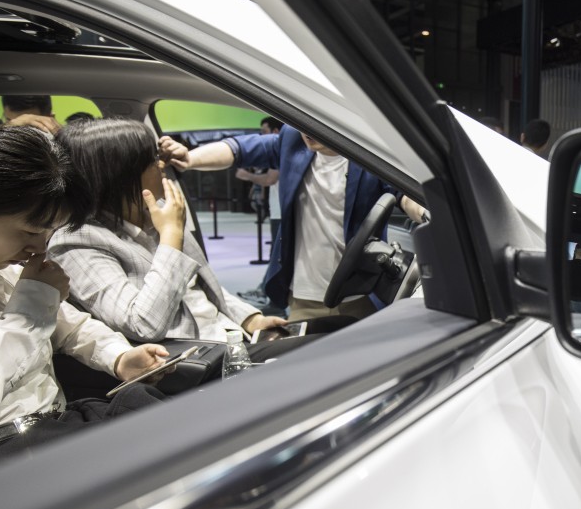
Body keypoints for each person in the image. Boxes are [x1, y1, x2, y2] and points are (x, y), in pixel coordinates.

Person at [0, 126, 169, 457]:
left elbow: (70, 326)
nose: (38, 248)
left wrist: (119, 356)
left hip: (56, 422)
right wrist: (33, 304)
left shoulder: (9, 270)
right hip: (10, 446)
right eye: (30, 231)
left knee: (161, 418)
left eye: (48, 233)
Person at [48, 118, 286, 342]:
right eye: (152, 160)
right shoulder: (77, 241)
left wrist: (250, 319)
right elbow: (142, 324)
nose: (161, 165)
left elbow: (203, 286)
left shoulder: (158, 214)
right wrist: (171, 239)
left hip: (227, 336)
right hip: (193, 359)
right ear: (121, 176)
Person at [159, 125, 426, 321]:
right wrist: (190, 158)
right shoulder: (291, 140)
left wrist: (425, 211)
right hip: (303, 297)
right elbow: (238, 149)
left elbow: (404, 195)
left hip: (360, 296)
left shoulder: (367, 152)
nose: (307, 131)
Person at [235, 117, 283, 305]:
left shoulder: (281, 151)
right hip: (277, 209)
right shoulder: (279, 152)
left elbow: (270, 179)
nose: (261, 135)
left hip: (281, 212)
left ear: (276, 132)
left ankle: (269, 296)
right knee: (276, 256)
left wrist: (246, 175)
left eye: (264, 131)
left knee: (277, 257)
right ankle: (266, 293)